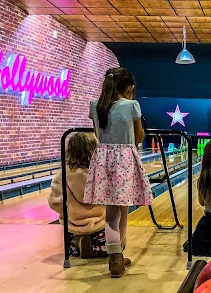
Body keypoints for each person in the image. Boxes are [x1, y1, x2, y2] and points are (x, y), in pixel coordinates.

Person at [84, 67, 153, 278]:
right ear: (130, 87)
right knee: (120, 209)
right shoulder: (132, 105)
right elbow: (139, 135)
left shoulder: (95, 106)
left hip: (103, 158)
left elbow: (97, 133)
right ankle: (115, 257)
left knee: (114, 210)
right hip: (124, 160)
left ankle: (117, 253)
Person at [49, 132, 107, 259]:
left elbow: (54, 202)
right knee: (112, 243)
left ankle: (77, 243)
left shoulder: (62, 175)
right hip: (99, 225)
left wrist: (67, 212)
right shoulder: (99, 174)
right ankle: (95, 246)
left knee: (69, 242)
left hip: (73, 227)